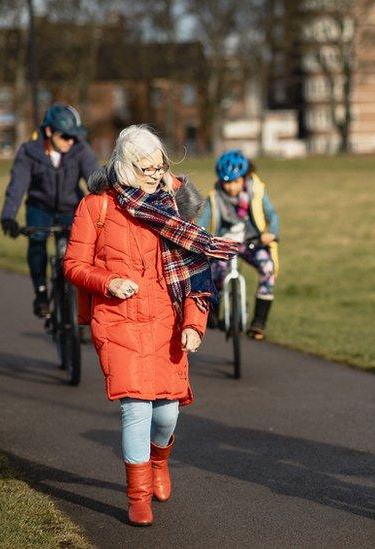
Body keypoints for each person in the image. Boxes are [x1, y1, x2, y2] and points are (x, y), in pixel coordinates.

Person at [64, 125, 239, 526]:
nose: (156, 175)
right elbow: (74, 265)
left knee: (166, 414)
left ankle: (159, 460)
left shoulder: (175, 206)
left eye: (159, 166)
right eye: (146, 168)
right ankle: (137, 495)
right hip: (117, 320)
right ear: (125, 167)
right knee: (136, 408)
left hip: (166, 320)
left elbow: (198, 275)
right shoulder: (97, 206)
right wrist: (107, 281)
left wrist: (195, 324)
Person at [0, 103, 100, 317]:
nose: (70, 141)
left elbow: (95, 178)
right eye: (65, 136)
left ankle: (81, 300)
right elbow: (17, 186)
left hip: (71, 208)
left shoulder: (80, 148)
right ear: (49, 131)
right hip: (40, 207)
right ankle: (42, 294)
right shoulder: (29, 152)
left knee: (80, 251)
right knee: (37, 244)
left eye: (73, 136)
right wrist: (8, 216)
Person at [197, 149, 280, 340]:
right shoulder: (215, 197)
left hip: (252, 242)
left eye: (235, 181)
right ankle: (213, 311)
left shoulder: (256, 192)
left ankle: (258, 322)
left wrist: (271, 233)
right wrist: (200, 237)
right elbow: (203, 220)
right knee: (215, 272)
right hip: (224, 243)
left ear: (244, 177)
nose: (231, 187)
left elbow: (272, 215)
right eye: (226, 182)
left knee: (267, 268)